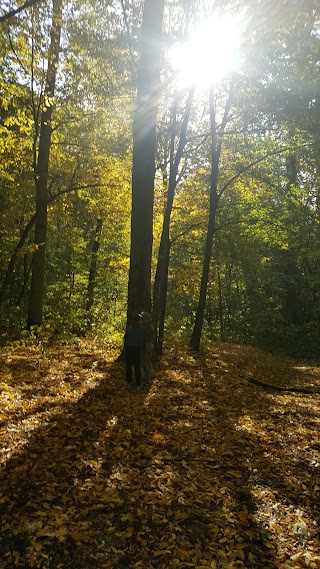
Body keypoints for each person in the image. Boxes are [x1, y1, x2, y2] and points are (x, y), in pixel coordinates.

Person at [124, 313, 144, 388]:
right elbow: (141, 340)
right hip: (136, 349)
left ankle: (129, 382)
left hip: (129, 348)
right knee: (137, 366)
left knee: (128, 366)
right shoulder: (140, 330)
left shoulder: (129, 328)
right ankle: (138, 383)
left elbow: (125, 338)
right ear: (139, 321)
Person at [140, 311, 154, 385]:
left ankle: (148, 378)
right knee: (148, 362)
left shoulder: (144, 328)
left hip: (145, 346)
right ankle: (149, 376)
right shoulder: (151, 327)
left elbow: (143, 338)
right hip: (150, 345)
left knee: (144, 363)